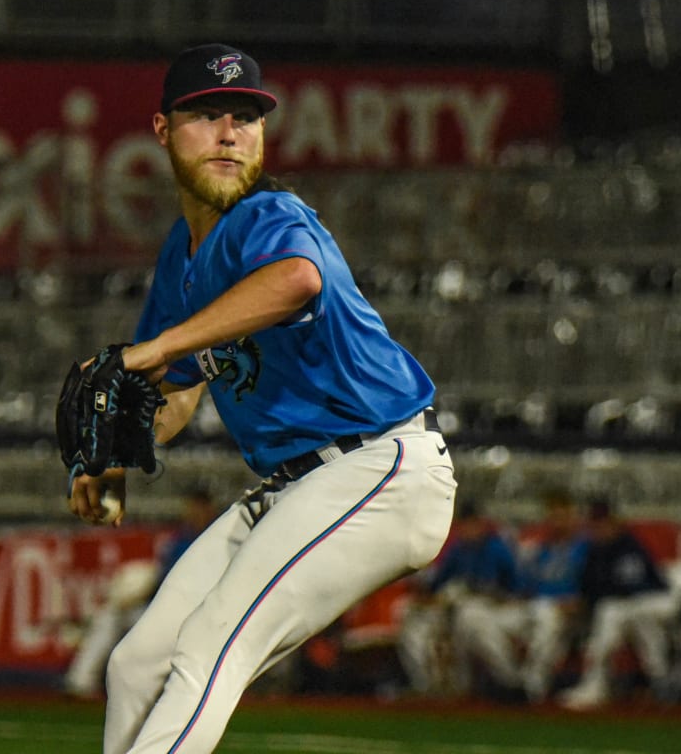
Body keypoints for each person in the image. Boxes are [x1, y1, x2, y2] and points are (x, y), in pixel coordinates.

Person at [64, 43, 457, 754]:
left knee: (213, 645)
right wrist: (118, 452)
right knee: (137, 663)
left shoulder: (269, 215)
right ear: (161, 131)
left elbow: (297, 282)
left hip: (381, 468)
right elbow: (176, 395)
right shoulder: (181, 256)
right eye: (206, 115)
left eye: (244, 117)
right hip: (296, 488)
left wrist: (155, 350)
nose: (228, 133)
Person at [64, 488, 220, 700]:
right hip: (161, 609)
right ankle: (80, 682)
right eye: (192, 506)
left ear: (210, 510)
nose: (194, 512)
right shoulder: (179, 539)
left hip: (192, 613)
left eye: (200, 507)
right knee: (111, 615)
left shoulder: (216, 539)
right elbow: (161, 579)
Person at [452, 488, 588, 703]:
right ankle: (512, 682)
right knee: (473, 617)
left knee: (547, 615)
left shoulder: (586, 548)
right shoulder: (542, 550)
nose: (557, 521)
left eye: (563, 514)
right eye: (553, 515)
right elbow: (523, 588)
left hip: (565, 615)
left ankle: (534, 688)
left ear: (573, 517)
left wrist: (580, 602)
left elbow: (596, 589)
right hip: (532, 608)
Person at [557, 498, 679, 710]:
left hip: (653, 600)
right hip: (626, 607)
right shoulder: (595, 551)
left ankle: (651, 680)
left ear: (613, 522)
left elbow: (634, 586)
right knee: (616, 615)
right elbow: (590, 589)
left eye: (602, 522)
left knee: (618, 612)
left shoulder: (628, 545)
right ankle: (657, 680)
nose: (598, 528)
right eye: (594, 523)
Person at [397, 501, 520, 699]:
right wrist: (426, 600)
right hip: (453, 607)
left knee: (468, 616)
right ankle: (426, 683)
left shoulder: (497, 548)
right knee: (406, 612)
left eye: (473, 523)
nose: (468, 529)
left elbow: (513, 589)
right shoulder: (458, 549)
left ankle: (501, 682)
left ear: (481, 524)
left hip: (491, 609)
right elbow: (436, 586)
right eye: (464, 524)